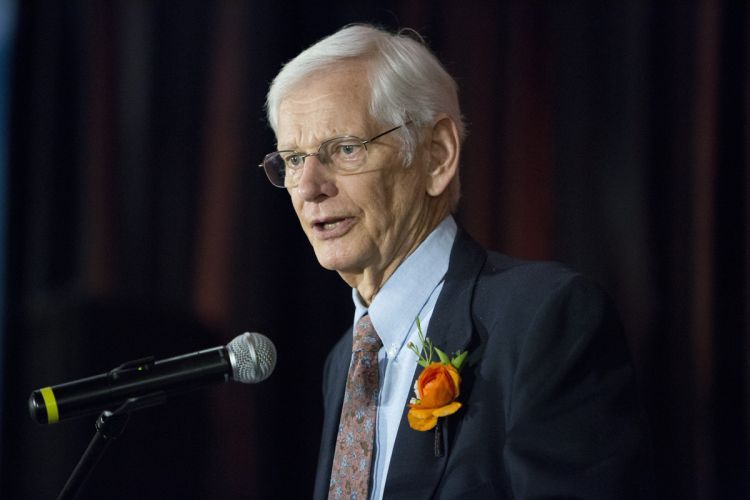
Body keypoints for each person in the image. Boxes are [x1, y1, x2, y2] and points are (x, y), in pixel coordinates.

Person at [260, 24, 651, 499]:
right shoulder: (344, 358)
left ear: (437, 156)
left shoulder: (543, 320)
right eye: (294, 159)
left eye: (344, 149)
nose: (308, 188)